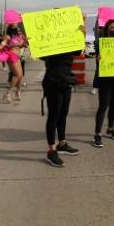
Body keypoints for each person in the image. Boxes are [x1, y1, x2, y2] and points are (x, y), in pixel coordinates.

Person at [41, 25, 85, 167]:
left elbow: (78, 52)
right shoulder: (47, 39)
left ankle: (62, 143)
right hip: (53, 80)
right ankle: (51, 151)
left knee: (63, 114)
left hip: (66, 80)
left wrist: (81, 36)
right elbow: (41, 55)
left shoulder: (68, 39)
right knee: (54, 116)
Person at [92, 19, 114, 148]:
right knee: (103, 106)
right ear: (107, 29)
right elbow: (98, 59)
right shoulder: (101, 42)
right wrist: (98, 59)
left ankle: (110, 129)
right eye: (112, 27)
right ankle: (97, 134)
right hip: (105, 78)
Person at [0, 24, 27, 102]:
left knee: (21, 76)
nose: (18, 29)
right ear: (11, 29)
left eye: (18, 28)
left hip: (17, 56)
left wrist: (23, 44)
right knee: (17, 75)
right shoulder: (7, 37)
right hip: (11, 55)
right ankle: (7, 93)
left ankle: (17, 92)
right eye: (16, 28)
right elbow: (1, 46)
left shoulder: (19, 37)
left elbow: (20, 46)